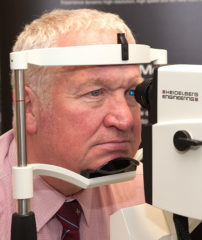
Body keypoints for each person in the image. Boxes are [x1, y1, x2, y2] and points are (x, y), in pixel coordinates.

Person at [0, 9, 145, 239]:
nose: (125, 119)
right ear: (29, 109)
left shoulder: (149, 192)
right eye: (95, 93)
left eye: (130, 92)